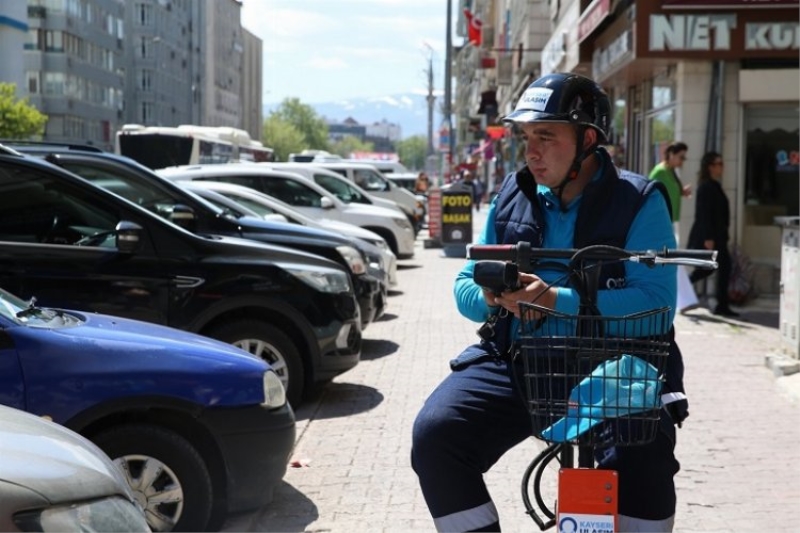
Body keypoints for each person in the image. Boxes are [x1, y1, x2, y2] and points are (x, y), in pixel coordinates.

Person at [411, 72, 689, 532]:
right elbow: (465, 280)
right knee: (437, 435)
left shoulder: (640, 200)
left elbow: (657, 304)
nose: (532, 152)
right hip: (521, 360)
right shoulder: (510, 196)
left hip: (616, 365)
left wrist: (556, 300)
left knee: (642, 461)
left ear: (588, 140)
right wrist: (492, 298)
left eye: (546, 136)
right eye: (526, 138)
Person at [649, 141, 698, 314]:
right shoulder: (661, 171)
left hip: (669, 220)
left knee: (672, 259)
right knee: (674, 258)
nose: (683, 161)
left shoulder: (669, 171)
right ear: (671, 154)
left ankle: (684, 300)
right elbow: (650, 194)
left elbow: (669, 192)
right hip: (663, 222)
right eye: (681, 157)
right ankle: (685, 300)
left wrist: (682, 191)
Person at [687, 152, 738, 318]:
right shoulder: (706, 187)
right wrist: (708, 238)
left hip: (718, 236)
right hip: (710, 238)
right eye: (719, 163)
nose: (722, 167)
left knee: (718, 268)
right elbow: (704, 214)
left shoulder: (714, 185)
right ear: (711, 167)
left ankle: (722, 305)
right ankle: (683, 288)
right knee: (708, 269)